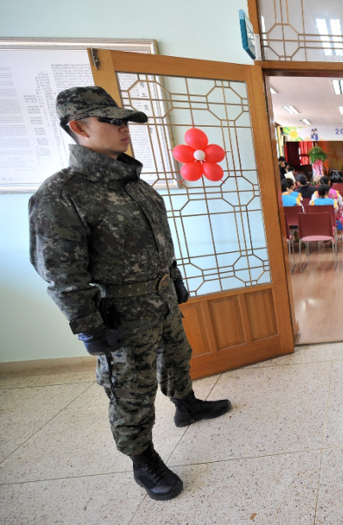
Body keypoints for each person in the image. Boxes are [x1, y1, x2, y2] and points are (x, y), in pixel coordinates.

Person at [29, 86, 232, 501]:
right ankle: (143, 459)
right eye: (112, 121)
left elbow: (162, 243)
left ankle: (187, 404)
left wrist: (174, 281)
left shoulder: (136, 185)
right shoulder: (61, 194)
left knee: (178, 356)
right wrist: (89, 327)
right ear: (79, 126)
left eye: (125, 121)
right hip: (121, 312)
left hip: (161, 299)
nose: (124, 129)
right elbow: (60, 272)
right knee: (130, 388)